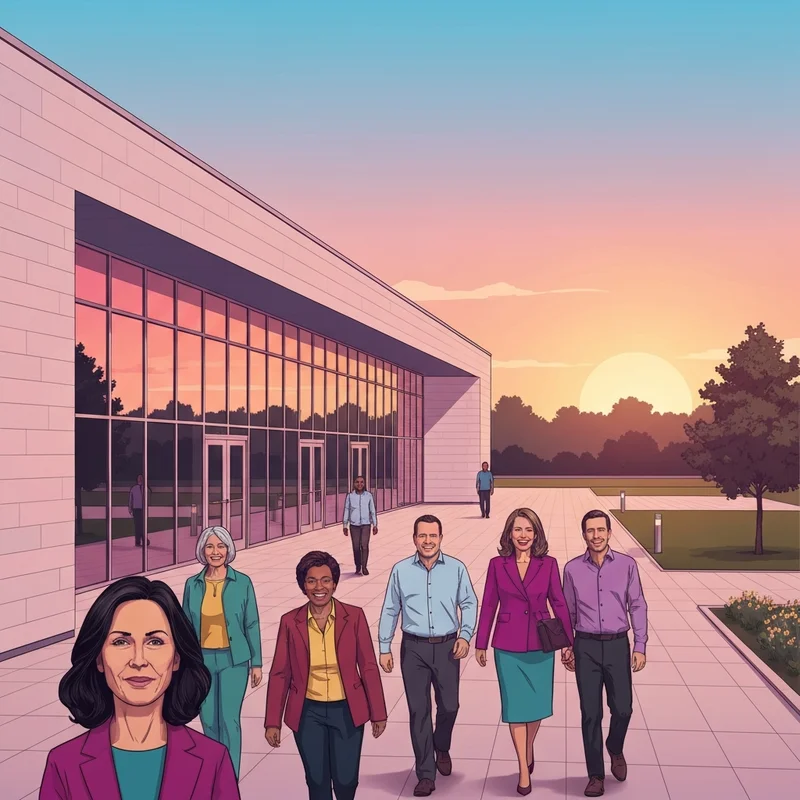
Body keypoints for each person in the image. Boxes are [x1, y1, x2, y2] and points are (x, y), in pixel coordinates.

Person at [39, 576, 239, 799]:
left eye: (155, 642)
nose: (138, 660)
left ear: (176, 658)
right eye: (120, 642)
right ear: (98, 659)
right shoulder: (64, 764)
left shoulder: (214, 760)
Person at [265, 551, 387, 800]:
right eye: (311, 580)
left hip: (347, 711)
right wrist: (272, 721)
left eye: (325, 580)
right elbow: (280, 673)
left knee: (346, 780)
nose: (319, 587)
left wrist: (378, 712)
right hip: (308, 712)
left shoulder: (354, 617)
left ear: (334, 583)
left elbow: (368, 666)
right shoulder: (290, 621)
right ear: (303, 585)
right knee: (317, 781)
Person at [474, 508, 574, 795]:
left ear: (536, 533)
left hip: (542, 645)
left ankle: (528, 748)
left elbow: (560, 603)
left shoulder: (549, 564)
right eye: (518, 530)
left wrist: (569, 642)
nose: (523, 536)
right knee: (516, 708)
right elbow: (489, 604)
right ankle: (522, 767)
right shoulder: (497, 564)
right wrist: (481, 642)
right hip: (507, 645)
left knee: (536, 707)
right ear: (509, 533)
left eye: (528, 530)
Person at [378, 514, 477, 797]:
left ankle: (441, 745)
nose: (428, 541)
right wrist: (384, 646)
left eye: (433, 536)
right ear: (414, 539)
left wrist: (465, 635)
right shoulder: (400, 570)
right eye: (422, 536)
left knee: (450, 706)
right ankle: (425, 773)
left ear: (441, 538)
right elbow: (389, 609)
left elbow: (469, 602)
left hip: (448, 647)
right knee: (418, 711)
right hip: (414, 649)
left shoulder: (456, 569)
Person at [561, 510, 648, 798]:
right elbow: (568, 612)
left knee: (623, 708)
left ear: (610, 532)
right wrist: (568, 645)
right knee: (590, 714)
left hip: (616, 644)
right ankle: (595, 775)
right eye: (590, 530)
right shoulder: (572, 569)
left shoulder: (627, 565)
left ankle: (615, 746)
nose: (596, 535)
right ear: (584, 534)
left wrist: (640, 645)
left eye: (601, 530)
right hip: (585, 646)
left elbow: (637, 605)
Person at [182, 525, 262, 779]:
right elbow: (184, 625)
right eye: (209, 546)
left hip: (233, 660)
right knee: (208, 720)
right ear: (202, 551)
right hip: (202, 661)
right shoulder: (192, 585)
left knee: (229, 720)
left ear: (228, 549)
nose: (215, 552)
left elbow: (252, 623)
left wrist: (256, 663)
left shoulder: (243, 583)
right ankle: (213, 775)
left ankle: (230, 777)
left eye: (220, 546)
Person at [343, 475, 378, 575]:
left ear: (364, 483)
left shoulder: (368, 496)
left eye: (361, 482)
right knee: (355, 547)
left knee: (364, 546)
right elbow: (346, 510)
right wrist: (345, 525)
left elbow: (372, 511)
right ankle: (358, 565)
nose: (359, 484)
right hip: (354, 525)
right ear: (354, 483)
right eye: (357, 482)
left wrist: (375, 524)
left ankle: (364, 567)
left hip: (366, 524)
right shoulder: (350, 496)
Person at [129, 473, 150, 547]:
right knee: (137, 525)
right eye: (139, 478)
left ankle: (143, 540)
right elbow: (131, 499)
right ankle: (139, 541)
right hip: (136, 509)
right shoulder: (134, 488)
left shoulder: (145, 489)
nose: (140, 479)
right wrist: (130, 508)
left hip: (142, 509)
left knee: (142, 525)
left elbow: (148, 500)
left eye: (141, 478)